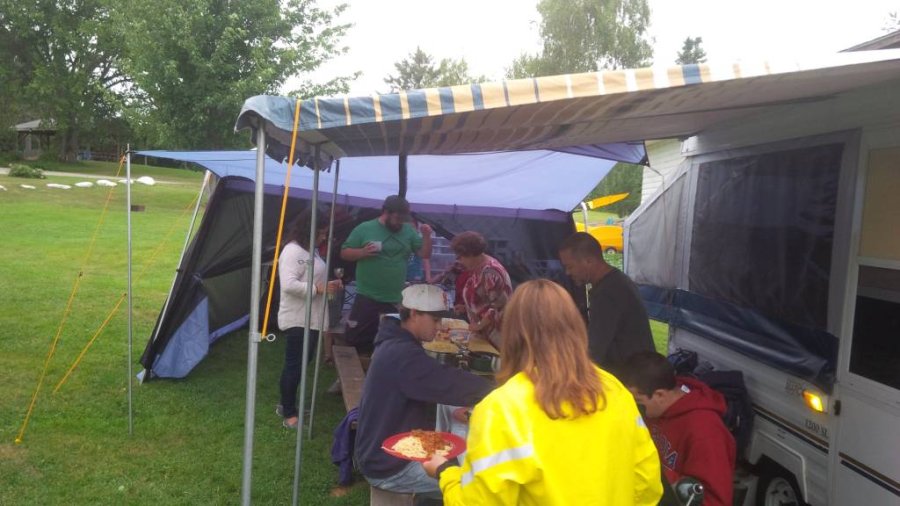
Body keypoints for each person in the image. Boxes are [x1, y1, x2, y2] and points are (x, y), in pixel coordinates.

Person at [423, 279, 662, 505]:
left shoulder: (501, 409)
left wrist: (446, 472)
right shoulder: (615, 390)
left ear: (512, 336)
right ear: (576, 327)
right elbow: (647, 482)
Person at [355, 284, 494, 496]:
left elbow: (437, 379)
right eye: (435, 320)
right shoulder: (402, 354)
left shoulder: (395, 340)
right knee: (482, 489)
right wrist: (500, 390)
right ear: (413, 314)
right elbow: (447, 382)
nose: (440, 326)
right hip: (389, 466)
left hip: (379, 450)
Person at [620, 351, 737, 506]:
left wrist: (655, 472)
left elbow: (715, 501)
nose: (634, 408)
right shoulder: (657, 408)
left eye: (637, 402)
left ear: (660, 395)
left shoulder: (705, 432)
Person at [340, 195, 432, 354]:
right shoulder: (365, 228)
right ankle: (360, 366)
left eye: (402, 219)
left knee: (391, 340)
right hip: (368, 295)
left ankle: (383, 364)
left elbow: (424, 254)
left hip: (395, 298)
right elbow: (344, 253)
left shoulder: (408, 230)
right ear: (386, 212)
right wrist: (362, 252)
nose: (399, 223)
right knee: (355, 338)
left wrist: (426, 236)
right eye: (397, 218)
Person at [277, 208, 342, 429]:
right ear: (309, 230)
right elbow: (288, 285)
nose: (324, 237)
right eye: (321, 232)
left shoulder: (309, 251)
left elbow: (313, 279)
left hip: (310, 317)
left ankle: (287, 404)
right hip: (298, 318)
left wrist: (329, 285)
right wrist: (318, 289)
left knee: (301, 363)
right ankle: (288, 413)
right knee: (295, 365)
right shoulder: (293, 251)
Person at [558, 232, 654, 375]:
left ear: (589, 261)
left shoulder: (608, 293)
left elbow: (594, 351)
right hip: (638, 371)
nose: (567, 272)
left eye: (570, 266)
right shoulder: (616, 281)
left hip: (632, 377)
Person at [449, 231, 512, 348]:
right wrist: (468, 307)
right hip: (483, 333)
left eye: (461, 257)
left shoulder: (490, 273)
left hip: (495, 336)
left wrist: (479, 325)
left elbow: (498, 308)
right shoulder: (478, 266)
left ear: (471, 254)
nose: (460, 260)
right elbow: (485, 299)